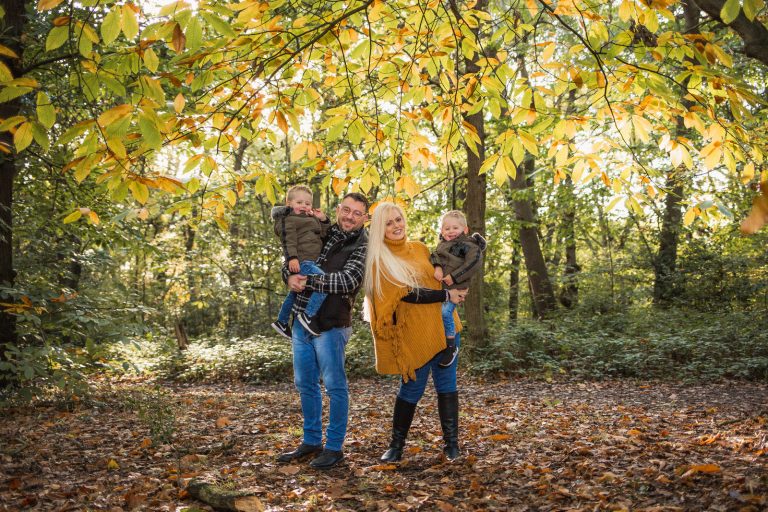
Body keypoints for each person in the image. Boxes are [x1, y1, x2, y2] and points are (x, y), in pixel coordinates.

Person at [364, 202, 467, 463]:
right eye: (389, 223)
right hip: (412, 334)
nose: (397, 226)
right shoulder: (379, 260)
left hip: (443, 328)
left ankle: (452, 446)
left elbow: (446, 270)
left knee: (447, 386)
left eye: (398, 219)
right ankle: (396, 446)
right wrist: (446, 294)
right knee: (410, 391)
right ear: (379, 229)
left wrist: (457, 286)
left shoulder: (421, 248)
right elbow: (408, 293)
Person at [275, 192, 369, 470]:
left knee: (335, 386)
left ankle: (334, 448)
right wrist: (290, 276)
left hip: (332, 324)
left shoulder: (363, 244)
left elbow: (348, 281)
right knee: (305, 384)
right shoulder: (321, 230)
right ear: (339, 209)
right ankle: (312, 441)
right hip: (301, 321)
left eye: (357, 213)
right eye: (347, 210)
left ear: (365, 218)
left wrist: (309, 278)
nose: (350, 216)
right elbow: (294, 257)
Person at [270, 185, 330, 339]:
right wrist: (292, 258)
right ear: (289, 204)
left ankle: (282, 322)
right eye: (299, 202)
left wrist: (322, 219)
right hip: (302, 261)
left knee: (294, 294)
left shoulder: (311, 219)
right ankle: (308, 316)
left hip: (311, 262)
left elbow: (324, 235)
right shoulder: (288, 219)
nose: (304, 206)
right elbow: (287, 239)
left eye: (307, 203)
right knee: (324, 283)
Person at [430, 210, 486, 368]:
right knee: (436, 315)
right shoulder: (443, 245)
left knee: (445, 313)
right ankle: (440, 343)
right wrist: (437, 266)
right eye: (447, 228)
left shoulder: (469, 246)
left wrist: (454, 277)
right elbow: (434, 254)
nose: (451, 231)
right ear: (442, 231)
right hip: (441, 289)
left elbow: (473, 264)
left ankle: (451, 346)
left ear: (465, 230)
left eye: (455, 228)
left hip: (456, 287)